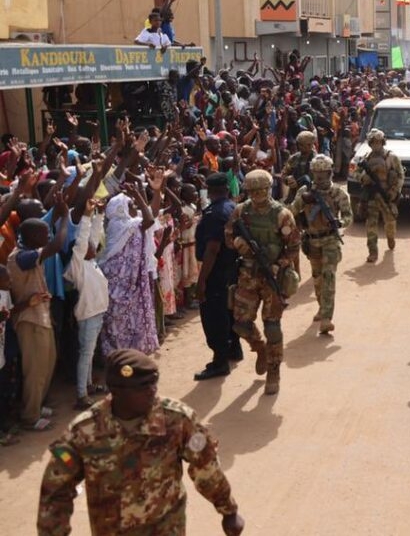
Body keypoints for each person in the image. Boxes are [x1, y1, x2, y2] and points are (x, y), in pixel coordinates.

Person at [37, 349, 245, 535]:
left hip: (167, 528)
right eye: (142, 386)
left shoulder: (177, 419)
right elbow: (56, 492)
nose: (152, 390)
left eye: (153, 382)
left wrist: (228, 510)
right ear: (116, 391)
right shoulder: (83, 432)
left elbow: (205, 466)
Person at [224, 169, 301, 395]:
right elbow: (228, 235)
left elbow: (294, 246)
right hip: (248, 274)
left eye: (261, 190)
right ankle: (260, 349)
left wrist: (280, 264)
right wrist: (239, 242)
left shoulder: (282, 214)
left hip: (272, 276)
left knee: (273, 327)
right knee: (240, 323)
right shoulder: (241, 211)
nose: (257, 195)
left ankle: (273, 370)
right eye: (253, 191)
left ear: (268, 189)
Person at [9, 202, 69, 431]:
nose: (48, 236)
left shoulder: (29, 252)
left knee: (47, 363)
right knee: (35, 370)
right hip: (29, 320)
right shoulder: (21, 257)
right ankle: (30, 415)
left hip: (40, 316)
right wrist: (64, 219)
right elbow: (57, 244)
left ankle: (36, 404)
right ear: (32, 236)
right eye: (44, 233)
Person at [291, 155, 352, 334]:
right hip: (312, 240)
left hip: (330, 240)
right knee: (317, 279)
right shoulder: (305, 190)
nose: (320, 177)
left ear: (330, 172)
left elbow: (348, 216)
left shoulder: (338, 193)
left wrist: (339, 223)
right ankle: (321, 307)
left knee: (329, 278)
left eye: (323, 173)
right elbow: (292, 210)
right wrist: (303, 199)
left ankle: (326, 318)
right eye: (316, 173)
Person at [97, 185, 159, 357]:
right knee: (118, 321)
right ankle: (121, 357)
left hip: (127, 282)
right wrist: (138, 194)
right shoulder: (125, 226)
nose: (135, 208)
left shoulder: (123, 225)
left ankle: (126, 355)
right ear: (122, 209)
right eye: (131, 205)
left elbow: (149, 216)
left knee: (124, 321)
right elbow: (149, 220)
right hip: (120, 282)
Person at [193, 173, 241, 381]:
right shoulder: (231, 207)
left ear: (209, 190)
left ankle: (220, 361)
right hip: (232, 269)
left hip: (217, 271)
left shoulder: (214, 214)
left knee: (214, 316)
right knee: (229, 311)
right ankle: (234, 349)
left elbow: (212, 249)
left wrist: (202, 281)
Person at [62, 200, 108, 409]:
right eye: (88, 247)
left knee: (88, 353)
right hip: (88, 316)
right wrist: (88, 215)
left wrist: (100, 214)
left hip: (97, 313)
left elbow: (93, 235)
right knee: (86, 354)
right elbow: (83, 240)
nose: (92, 246)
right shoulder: (77, 266)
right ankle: (81, 395)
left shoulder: (90, 262)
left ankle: (88, 386)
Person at [355, 129, 403, 263]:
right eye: (373, 142)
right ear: (370, 144)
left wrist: (394, 191)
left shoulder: (391, 157)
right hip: (371, 195)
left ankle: (390, 237)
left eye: (378, 142)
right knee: (371, 224)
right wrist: (363, 178)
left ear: (383, 142)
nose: (376, 145)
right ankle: (373, 251)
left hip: (386, 194)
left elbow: (400, 175)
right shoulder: (366, 158)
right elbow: (356, 173)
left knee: (390, 221)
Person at [281, 130, 317, 204]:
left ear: (310, 144)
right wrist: (288, 179)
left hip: (311, 197)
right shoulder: (294, 158)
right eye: (299, 144)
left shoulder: (318, 160)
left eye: (303, 145)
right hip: (294, 196)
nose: (300, 147)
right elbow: (284, 174)